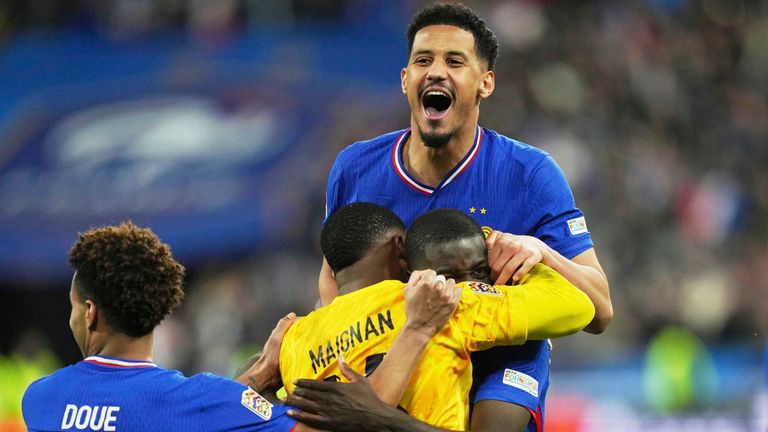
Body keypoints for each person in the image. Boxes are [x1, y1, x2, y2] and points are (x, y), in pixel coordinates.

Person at [319, 3, 613, 430]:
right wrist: (343, 341)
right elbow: (332, 276)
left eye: (455, 61)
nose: (436, 71)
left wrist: (541, 251)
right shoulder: (354, 167)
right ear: (405, 80)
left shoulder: (529, 174)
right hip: (401, 348)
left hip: (501, 351)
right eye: (423, 60)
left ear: (484, 83)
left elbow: (601, 310)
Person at [21, 222, 460, 432]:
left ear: (91, 313)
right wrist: (417, 329)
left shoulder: (39, 400)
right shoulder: (203, 399)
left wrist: (249, 382)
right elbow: (341, 424)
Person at [283, 203, 595, 430]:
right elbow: (577, 306)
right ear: (400, 246)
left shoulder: (293, 340)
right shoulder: (438, 300)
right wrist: (506, 248)